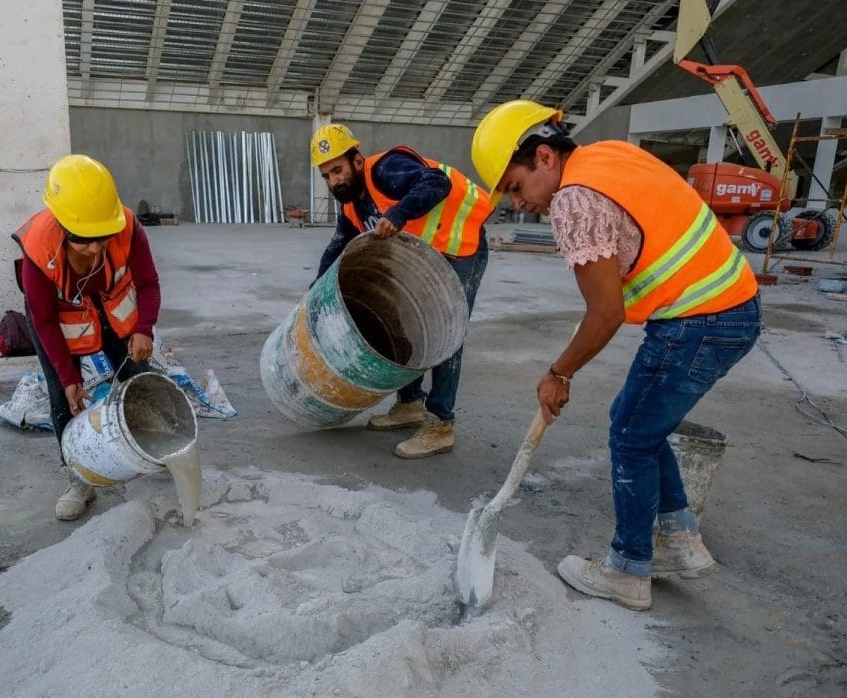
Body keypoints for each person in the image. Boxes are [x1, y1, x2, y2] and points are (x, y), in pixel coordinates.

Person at [471, 100, 761, 611]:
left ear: (542, 157)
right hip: (732, 305)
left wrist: (559, 372)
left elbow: (605, 313)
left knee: (629, 435)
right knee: (639, 425)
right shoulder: (608, 155)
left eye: (514, 187)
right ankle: (679, 543)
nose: (518, 204)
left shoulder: (574, 201)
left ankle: (628, 570)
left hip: (699, 319)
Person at [310, 124, 494, 458]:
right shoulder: (352, 207)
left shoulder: (385, 170)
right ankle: (409, 403)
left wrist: (398, 213)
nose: (334, 181)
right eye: (326, 176)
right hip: (424, 257)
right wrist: (313, 297)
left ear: (358, 160)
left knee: (446, 336)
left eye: (337, 170)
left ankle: (440, 425)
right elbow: (336, 250)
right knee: (401, 323)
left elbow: (437, 181)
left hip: (460, 247)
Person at [13, 155, 160, 521]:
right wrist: (69, 377)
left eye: (102, 238)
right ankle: (77, 479)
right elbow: (45, 322)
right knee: (66, 401)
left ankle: (151, 448)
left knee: (139, 380)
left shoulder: (126, 227)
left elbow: (148, 283)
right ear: (62, 225)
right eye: (84, 241)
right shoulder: (38, 251)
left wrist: (144, 328)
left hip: (110, 309)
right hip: (60, 321)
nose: (96, 248)